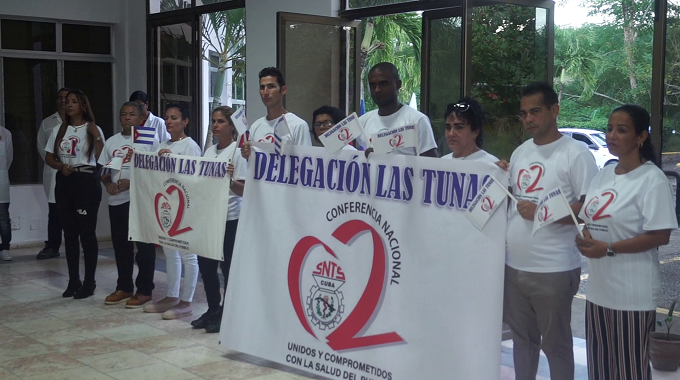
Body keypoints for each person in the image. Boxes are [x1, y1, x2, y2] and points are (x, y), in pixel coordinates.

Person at [500, 82, 598, 380]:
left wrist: (542, 212)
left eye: (535, 111)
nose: (528, 118)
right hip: (514, 266)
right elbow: (512, 198)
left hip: (554, 268)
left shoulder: (576, 153)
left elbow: (589, 207)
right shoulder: (519, 152)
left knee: (555, 346)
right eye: (524, 113)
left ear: (554, 110)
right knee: (521, 342)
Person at [575, 105, 677, 380]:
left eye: (621, 130)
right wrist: (583, 238)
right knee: (600, 369)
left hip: (631, 296)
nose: (611, 135)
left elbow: (660, 236)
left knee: (629, 370)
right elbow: (588, 221)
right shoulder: (604, 175)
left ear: (641, 136)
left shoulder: (651, 179)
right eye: (609, 128)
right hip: (598, 292)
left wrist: (608, 249)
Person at [44, 89, 105, 299]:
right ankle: (73, 280)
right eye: (66, 101)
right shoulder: (59, 130)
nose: (68, 105)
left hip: (86, 181)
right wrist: (61, 166)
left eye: (73, 101)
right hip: (65, 180)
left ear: (83, 105)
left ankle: (89, 282)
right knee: (69, 233)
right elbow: (49, 157)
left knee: (86, 233)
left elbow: (101, 158)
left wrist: (97, 137)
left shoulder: (92, 129)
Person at [99, 102, 159, 308]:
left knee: (144, 247)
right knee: (121, 246)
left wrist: (133, 183)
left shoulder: (149, 138)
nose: (127, 117)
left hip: (140, 200)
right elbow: (103, 170)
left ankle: (144, 290)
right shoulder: (112, 141)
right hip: (117, 200)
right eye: (123, 114)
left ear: (141, 119)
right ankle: (124, 286)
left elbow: (156, 171)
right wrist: (108, 184)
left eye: (132, 114)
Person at [191, 106, 246, 333]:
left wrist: (229, 179)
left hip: (229, 218)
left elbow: (243, 189)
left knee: (228, 268)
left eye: (221, 121)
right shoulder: (209, 151)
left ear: (231, 126)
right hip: (209, 216)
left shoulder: (238, 152)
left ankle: (226, 312)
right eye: (213, 121)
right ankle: (213, 308)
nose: (215, 125)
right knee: (206, 265)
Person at [144, 103, 201, 319]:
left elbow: (195, 176)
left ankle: (187, 301)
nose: (169, 121)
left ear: (185, 121)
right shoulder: (161, 144)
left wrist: (174, 161)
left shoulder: (190, 146)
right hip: (166, 205)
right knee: (169, 251)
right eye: (167, 117)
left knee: (188, 254)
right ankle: (171, 294)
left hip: (184, 207)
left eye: (174, 117)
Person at [355, 62, 438, 157]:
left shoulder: (417, 120)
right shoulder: (362, 122)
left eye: (383, 84)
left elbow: (432, 165)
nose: (377, 90)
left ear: (398, 85)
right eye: (372, 85)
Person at [241, 67, 312, 160]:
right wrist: (247, 155)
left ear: (283, 90)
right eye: (262, 87)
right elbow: (253, 164)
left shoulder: (298, 125)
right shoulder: (256, 126)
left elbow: (306, 162)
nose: (265, 92)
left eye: (271, 86)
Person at [36, 87, 70, 260]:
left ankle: (82, 246)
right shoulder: (47, 122)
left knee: (76, 212)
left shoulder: (80, 123)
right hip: (53, 170)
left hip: (73, 173)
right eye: (60, 97)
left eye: (67, 98)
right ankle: (53, 246)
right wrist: (56, 162)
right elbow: (41, 146)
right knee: (55, 211)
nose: (63, 101)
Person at [441, 97, 497, 162]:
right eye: (448, 127)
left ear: (475, 132)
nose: (451, 134)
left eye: (459, 127)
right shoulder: (440, 163)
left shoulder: (490, 164)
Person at [0, 124, 13, 261]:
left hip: (1, 181)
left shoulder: (5, 133)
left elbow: (9, 158)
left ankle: (4, 247)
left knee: (3, 218)